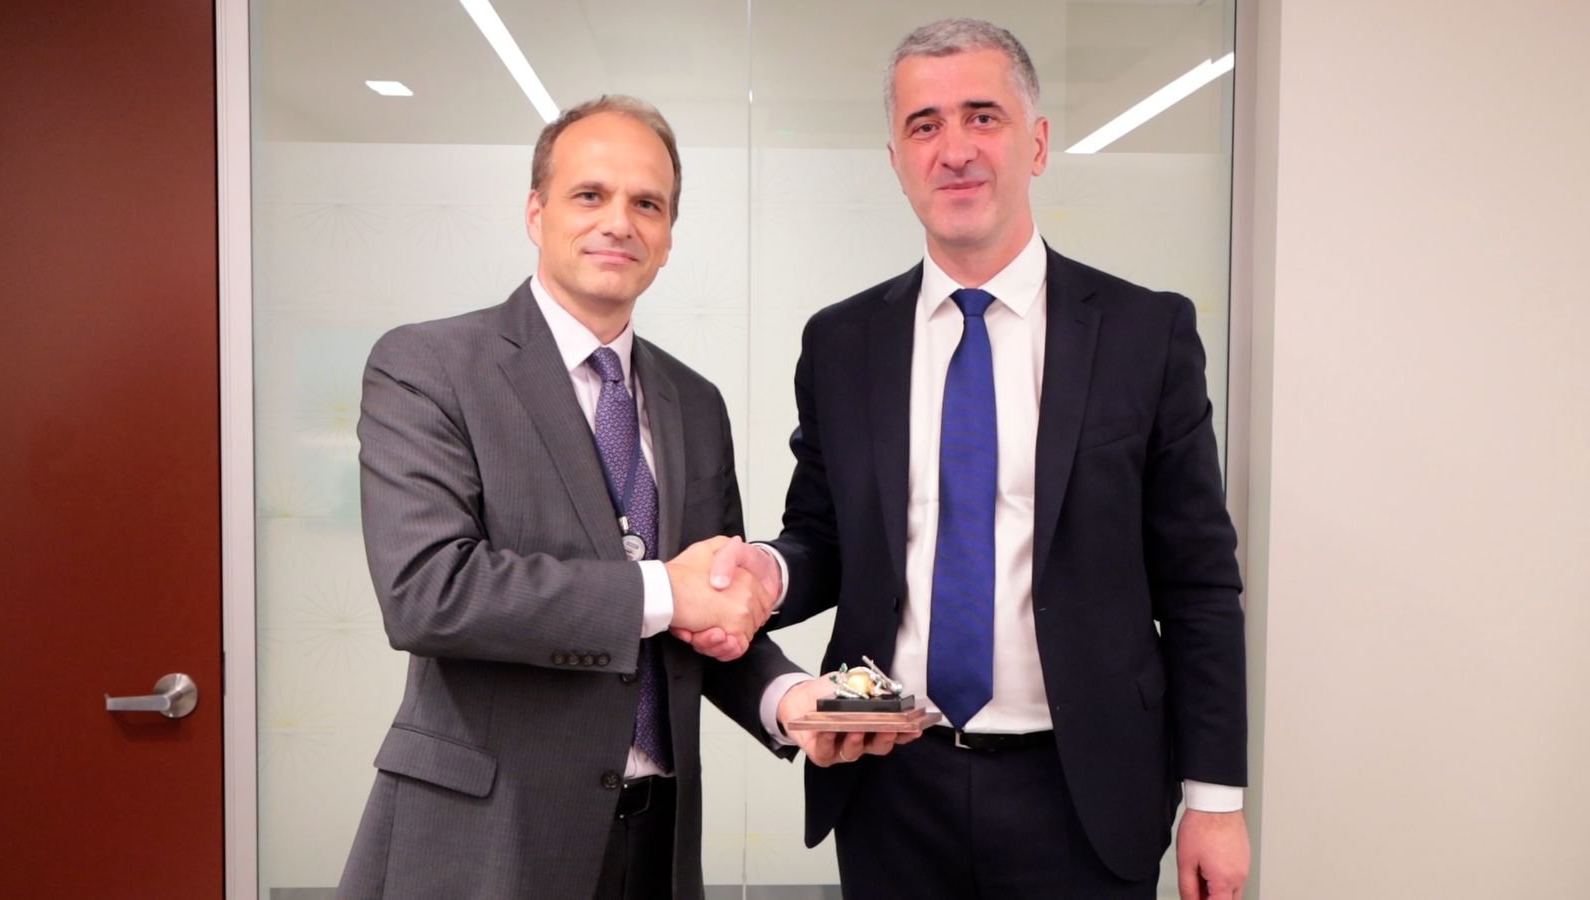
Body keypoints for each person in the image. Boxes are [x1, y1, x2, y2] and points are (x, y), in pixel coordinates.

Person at [711, 18, 1250, 900]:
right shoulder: (842, 342)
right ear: (896, 160)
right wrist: (768, 572)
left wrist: (1215, 800)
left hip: (1083, 791)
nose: (954, 148)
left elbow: (1198, 582)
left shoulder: (1144, 334)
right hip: (891, 780)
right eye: (924, 125)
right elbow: (826, 537)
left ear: (1036, 143)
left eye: (982, 117)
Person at [337, 95, 825, 900]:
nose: (619, 223)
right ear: (536, 212)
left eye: (648, 204)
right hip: (486, 840)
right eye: (590, 195)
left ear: (668, 236)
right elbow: (427, 593)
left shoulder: (694, 403)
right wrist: (663, 589)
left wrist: (789, 698)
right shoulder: (429, 366)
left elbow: (704, 613)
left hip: (655, 842)